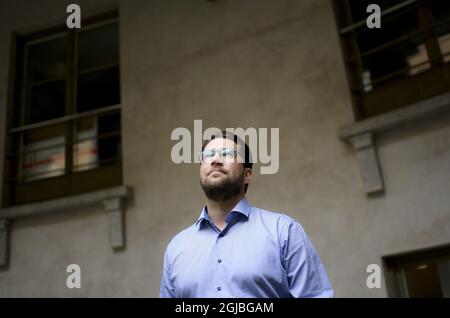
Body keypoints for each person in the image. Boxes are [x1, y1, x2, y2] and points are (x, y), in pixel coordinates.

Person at [160, 131, 334, 297]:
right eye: (208, 155)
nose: (216, 160)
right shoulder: (176, 248)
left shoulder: (284, 232)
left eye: (227, 154)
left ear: (247, 175)